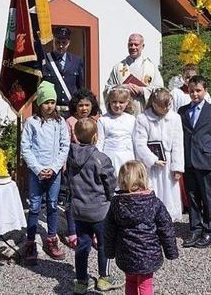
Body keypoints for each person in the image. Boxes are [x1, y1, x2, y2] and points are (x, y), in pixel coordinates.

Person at [105, 161, 179, 295]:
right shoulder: (153, 202)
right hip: (148, 254)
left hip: (126, 253)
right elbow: (166, 228)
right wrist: (171, 251)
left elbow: (109, 230)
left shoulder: (117, 203)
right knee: (145, 285)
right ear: (143, 178)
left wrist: (109, 252)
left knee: (130, 281)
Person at [67, 118, 123, 294]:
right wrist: (109, 198)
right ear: (96, 137)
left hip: (78, 208)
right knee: (104, 244)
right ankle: (104, 278)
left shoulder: (70, 156)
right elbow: (109, 183)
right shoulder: (101, 158)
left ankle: (81, 280)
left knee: (82, 244)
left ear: (75, 135)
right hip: (99, 209)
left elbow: (69, 180)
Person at [20, 81, 70, 264]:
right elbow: (26, 148)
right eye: (46, 102)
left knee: (53, 205)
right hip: (37, 173)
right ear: (39, 102)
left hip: (54, 172)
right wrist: (39, 169)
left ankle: (51, 239)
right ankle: (30, 242)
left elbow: (64, 146)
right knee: (34, 206)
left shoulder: (60, 122)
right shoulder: (31, 123)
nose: (50, 105)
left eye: (52, 101)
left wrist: (54, 167)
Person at [178, 75, 211, 249]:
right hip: (188, 159)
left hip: (205, 159)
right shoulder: (182, 111)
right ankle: (195, 228)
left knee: (208, 197)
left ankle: (210, 230)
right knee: (192, 197)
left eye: (198, 91)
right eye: (191, 91)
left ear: (205, 91)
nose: (195, 94)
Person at [133, 88, 185, 221]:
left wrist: (177, 167)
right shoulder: (143, 118)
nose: (167, 109)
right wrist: (152, 159)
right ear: (154, 105)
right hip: (151, 165)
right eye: (163, 106)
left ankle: (167, 222)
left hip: (168, 162)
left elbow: (178, 144)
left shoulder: (175, 118)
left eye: (168, 105)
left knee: (168, 194)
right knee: (152, 190)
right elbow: (139, 143)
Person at [61, 88, 102, 249]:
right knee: (72, 199)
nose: (84, 108)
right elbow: (65, 146)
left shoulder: (96, 121)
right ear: (75, 106)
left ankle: (92, 233)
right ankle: (72, 232)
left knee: (91, 198)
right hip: (75, 166)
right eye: (80, 105)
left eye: (87, 105)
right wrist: (64, 167)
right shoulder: (69, 121)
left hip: (91, 166)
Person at [104, 33, 164, 115]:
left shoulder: (151, 68)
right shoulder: (118, 68)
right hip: (123, 115)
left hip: (144, 113)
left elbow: (160, 90)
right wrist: (122, 87)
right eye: (130, 44)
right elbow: (107, 89)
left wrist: (143, 90)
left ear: (143, 46)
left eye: (136, 44)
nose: (133, 47)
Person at [42, 26, 85, 111]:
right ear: (53, 41)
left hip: (71, 111)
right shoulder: (44, 60)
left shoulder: (76, 61)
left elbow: (80, 87)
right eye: (57, 42)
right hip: (50, 111)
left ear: (69, 42)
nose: (61, 46)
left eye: (64, 42)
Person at [97, 87, 136, 179]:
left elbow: (135, 142)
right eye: (114, 102)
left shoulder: (131, 119)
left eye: (121, 102)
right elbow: (99, 142)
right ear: (109, 102)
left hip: (127, 156)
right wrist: (99, 161)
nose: (117, 105)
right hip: (110, 157)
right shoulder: (103, 120)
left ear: (127, 103)